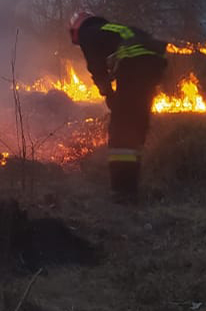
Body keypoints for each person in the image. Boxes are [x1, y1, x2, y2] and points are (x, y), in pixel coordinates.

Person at [69, 10, 168, 203]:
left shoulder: (88, 33)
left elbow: (95, 66)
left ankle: (122, 191)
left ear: (76, 29)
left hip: (134, 66)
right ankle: (131, 187)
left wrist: (108, 93)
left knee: (121, 130)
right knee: (137, 125)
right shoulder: (112, 29)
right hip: (154, 66)